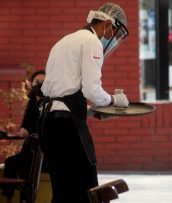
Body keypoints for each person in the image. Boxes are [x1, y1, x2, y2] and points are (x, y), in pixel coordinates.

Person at [39, 3, 129, 203]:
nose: (111, 38)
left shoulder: (65, 40)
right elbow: (91, 90)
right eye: (113, 31)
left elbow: (60, 94)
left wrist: (91, 112)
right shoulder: (91, 42)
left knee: (63, 191)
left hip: (49, 124)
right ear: (107, 23)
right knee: (86, 190)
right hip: (67, 128)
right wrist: (115, 100)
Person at [2, 70, 47, 203]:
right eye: (37, 82)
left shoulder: (49, 104)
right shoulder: (31, 103)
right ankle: (8, 199)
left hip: (43, 154)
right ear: (31, 84)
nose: (40, 85)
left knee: (25, 167)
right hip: (29, 151)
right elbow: (24, 126)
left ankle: (26, 199)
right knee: (11, 162)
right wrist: (22, 129)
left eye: (43, 82)